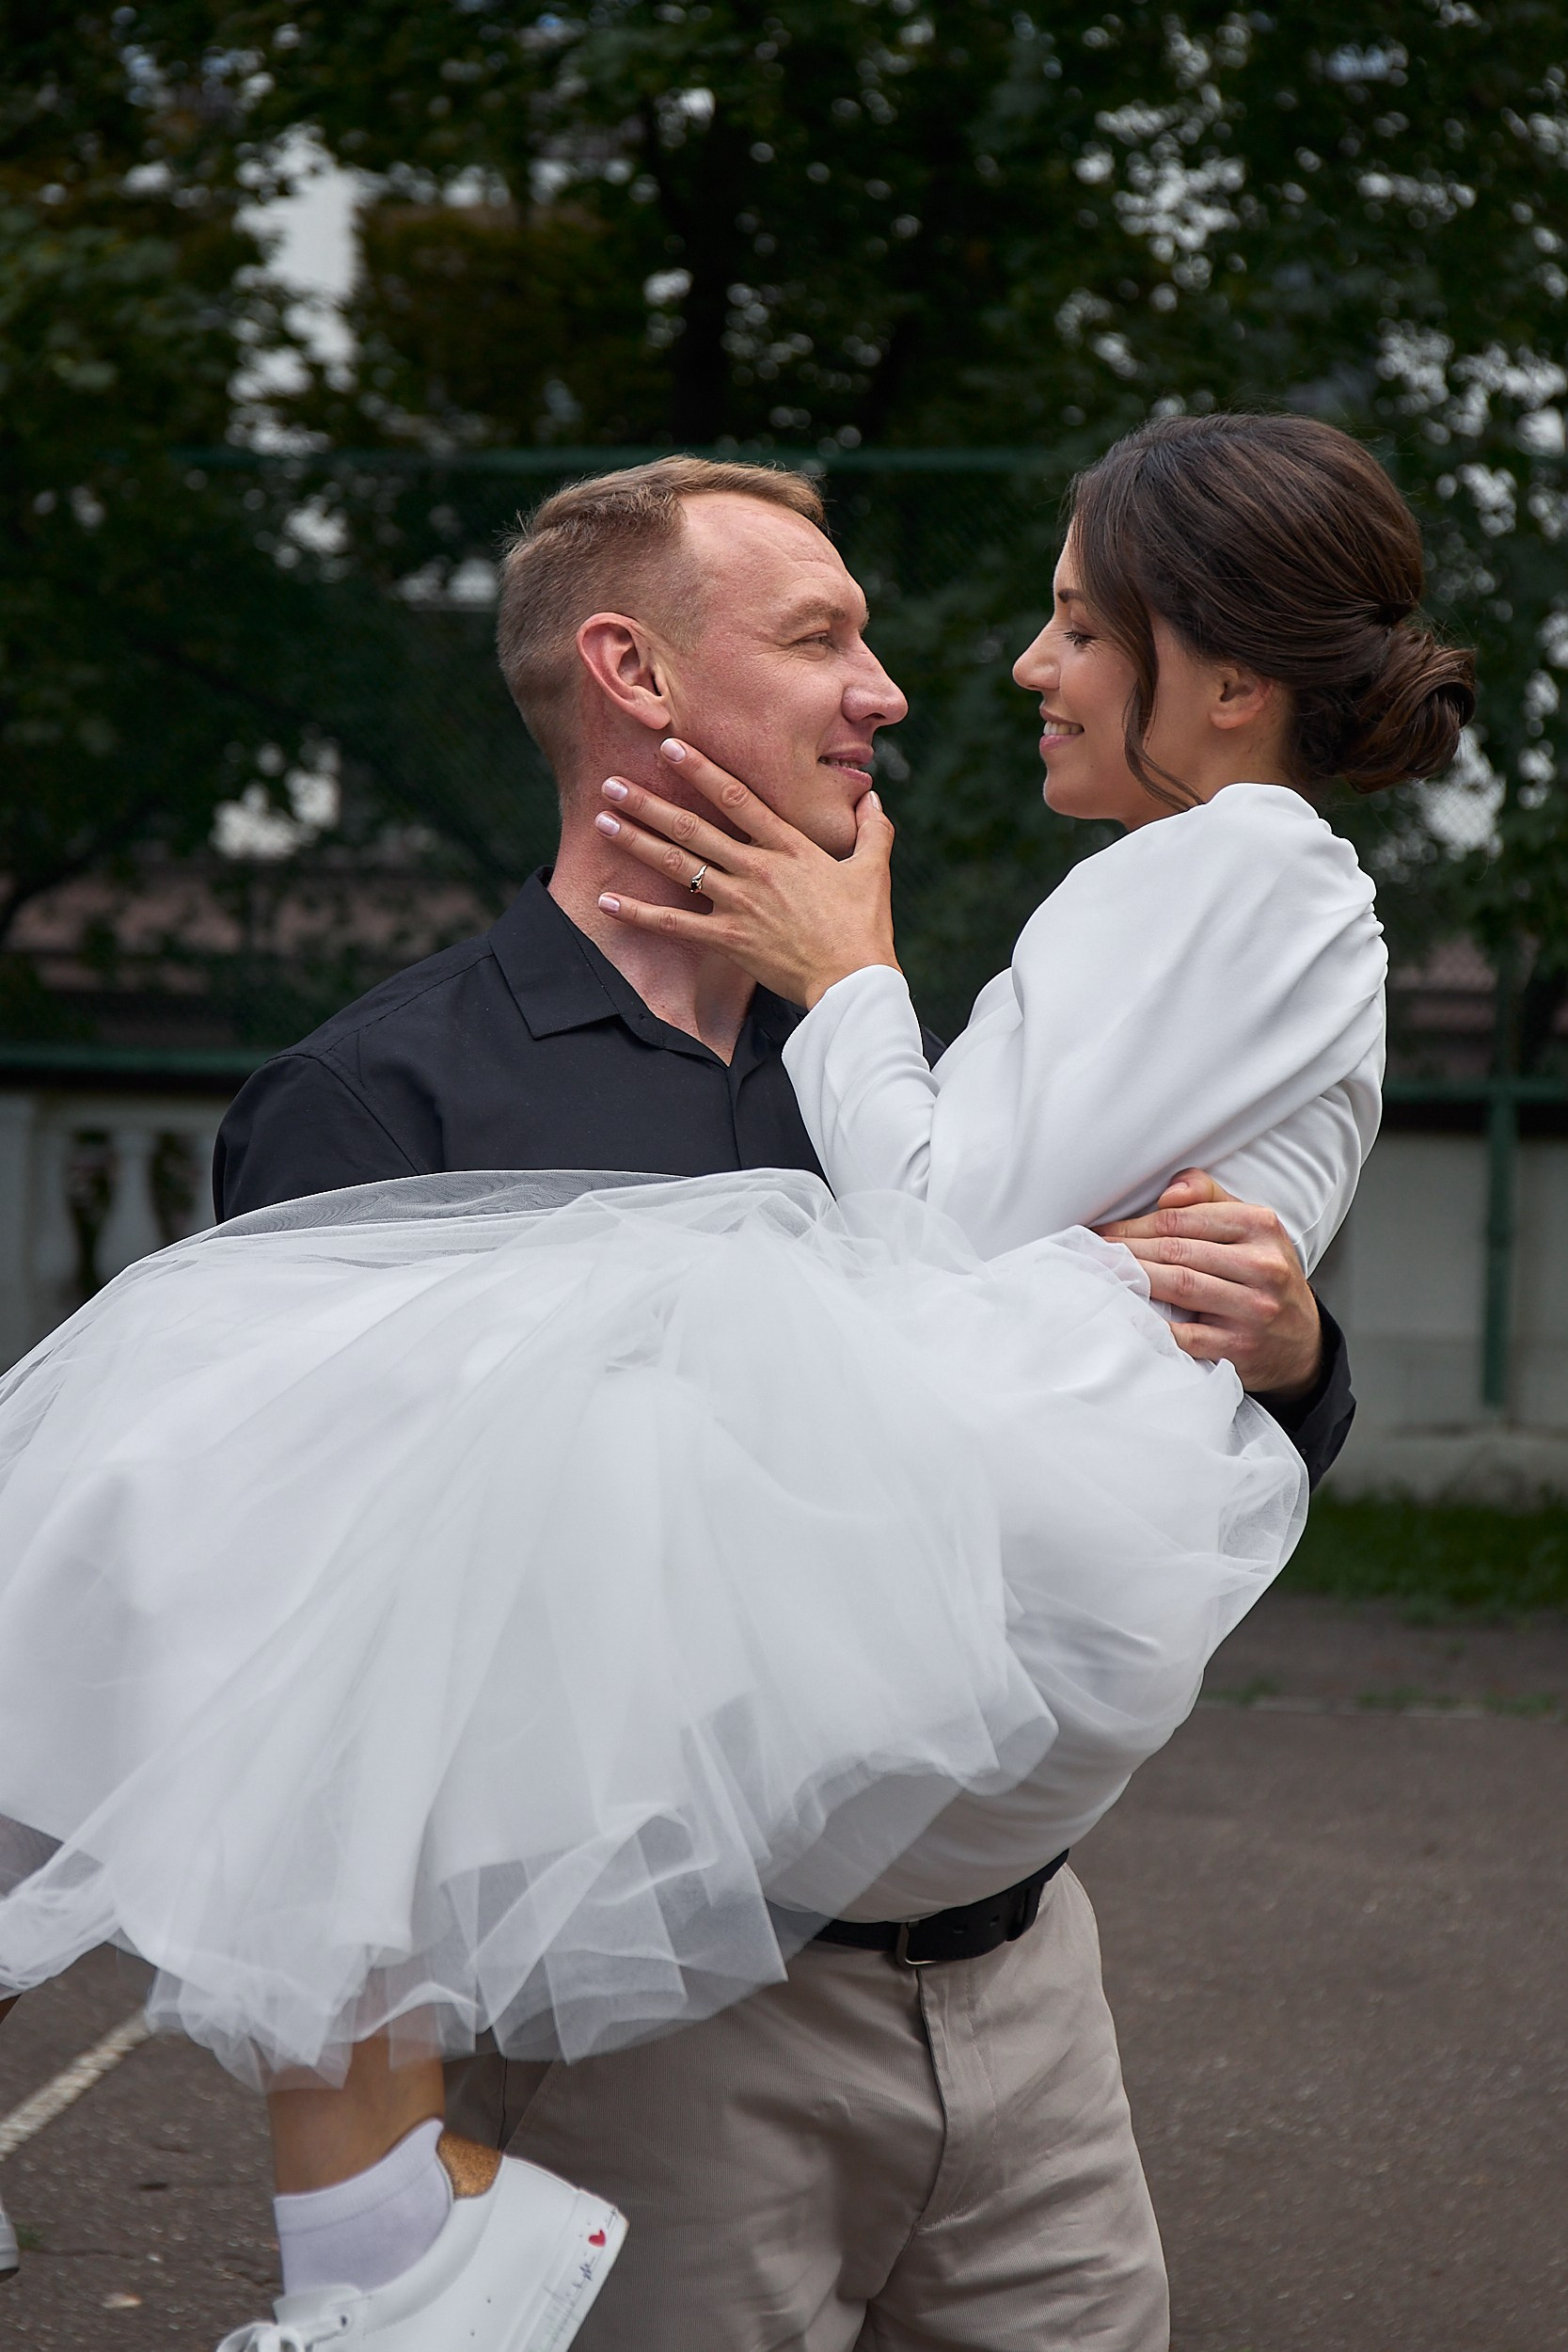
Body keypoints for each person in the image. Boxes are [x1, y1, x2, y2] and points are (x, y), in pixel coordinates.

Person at [0, 430, 1464, 2352]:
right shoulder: (388, 1103)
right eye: (823, 634)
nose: (905, 683)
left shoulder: (870, 1042)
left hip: (1024, 1992)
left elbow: (1067, 1381)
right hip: (677, 2034)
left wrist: (1302, 1350)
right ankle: (372, 2228)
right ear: (638, 674)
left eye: (1059, 624)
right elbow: (318, 1677)